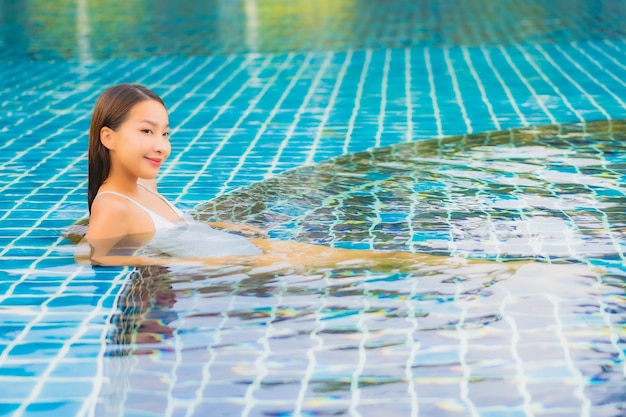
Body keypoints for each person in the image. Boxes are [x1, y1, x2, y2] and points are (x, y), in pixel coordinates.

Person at [77, 83, 517, 272]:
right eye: (147, 132)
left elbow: (136, 234)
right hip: (236, 261)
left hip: (237, 248)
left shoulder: (140, 190)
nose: (161, 145)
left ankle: (480, 269)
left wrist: (224, 228)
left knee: (356, 260)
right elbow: (94, 257)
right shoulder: (115, 203)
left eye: (166, 133)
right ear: (109, 137)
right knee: (358, 263)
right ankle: (485, 271)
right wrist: (185, 263)